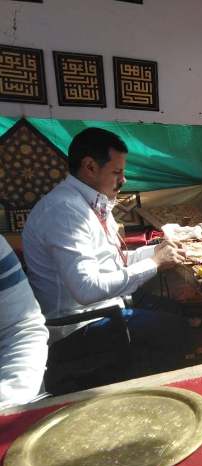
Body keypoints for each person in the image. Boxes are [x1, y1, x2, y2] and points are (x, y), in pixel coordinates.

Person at [22, 127, 191, 391]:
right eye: (116, 172)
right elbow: (87, 289)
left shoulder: (90, 202)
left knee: (179, 311)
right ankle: (150, 396)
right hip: (77, 326)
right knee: (178, 330)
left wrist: (158, 251)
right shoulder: (65, 211)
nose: (123, 179)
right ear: (90, 167)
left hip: (106, 306)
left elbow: (114, 262)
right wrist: (155, 264)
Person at [0, 235, 48, 409]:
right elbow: (86, 289)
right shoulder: (63, 220)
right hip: (76, 320)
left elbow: (21, 328)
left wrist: (10, 397)